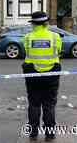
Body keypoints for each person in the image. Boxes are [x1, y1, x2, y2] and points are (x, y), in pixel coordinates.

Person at [22, 11, 62, 142]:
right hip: (51, 74)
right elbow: (59, 51)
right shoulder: (55, 37)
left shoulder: (28, 37)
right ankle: (49, 135)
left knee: (34, 104)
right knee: (49, 105)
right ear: (46, 23)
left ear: (33, 23)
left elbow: (27, 51)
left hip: (32, 73)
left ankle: (33, 134)